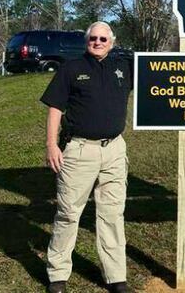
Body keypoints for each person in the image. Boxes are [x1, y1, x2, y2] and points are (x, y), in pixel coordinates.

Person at [40, 22, 133, 293]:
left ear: (112, 42)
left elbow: (157, 73)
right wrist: (51, 145)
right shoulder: (71, 68)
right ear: (86, 41)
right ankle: (58, 275)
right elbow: (55, 108)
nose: (98, 42)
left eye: (104, 38)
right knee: (69, 213)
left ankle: (116, 277)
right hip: (79, 150)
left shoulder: (124, 68)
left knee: (113, 214)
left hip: (114, 150)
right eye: (93, 38)